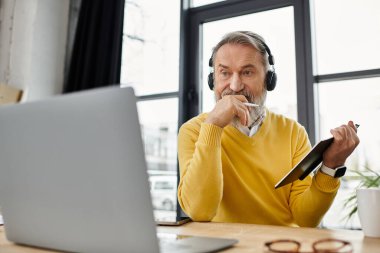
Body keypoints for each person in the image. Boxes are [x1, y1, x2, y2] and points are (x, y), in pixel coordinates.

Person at [177, 31, 360, 227]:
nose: (235, 85)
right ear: (213, 80)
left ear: (268, 80)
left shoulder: (292, 132)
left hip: (281, 245)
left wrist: (331, 167)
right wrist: (213, 127)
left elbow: (306, 219)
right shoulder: (194, 130)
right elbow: (199, 211)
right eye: (224, 73)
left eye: (247, 72)